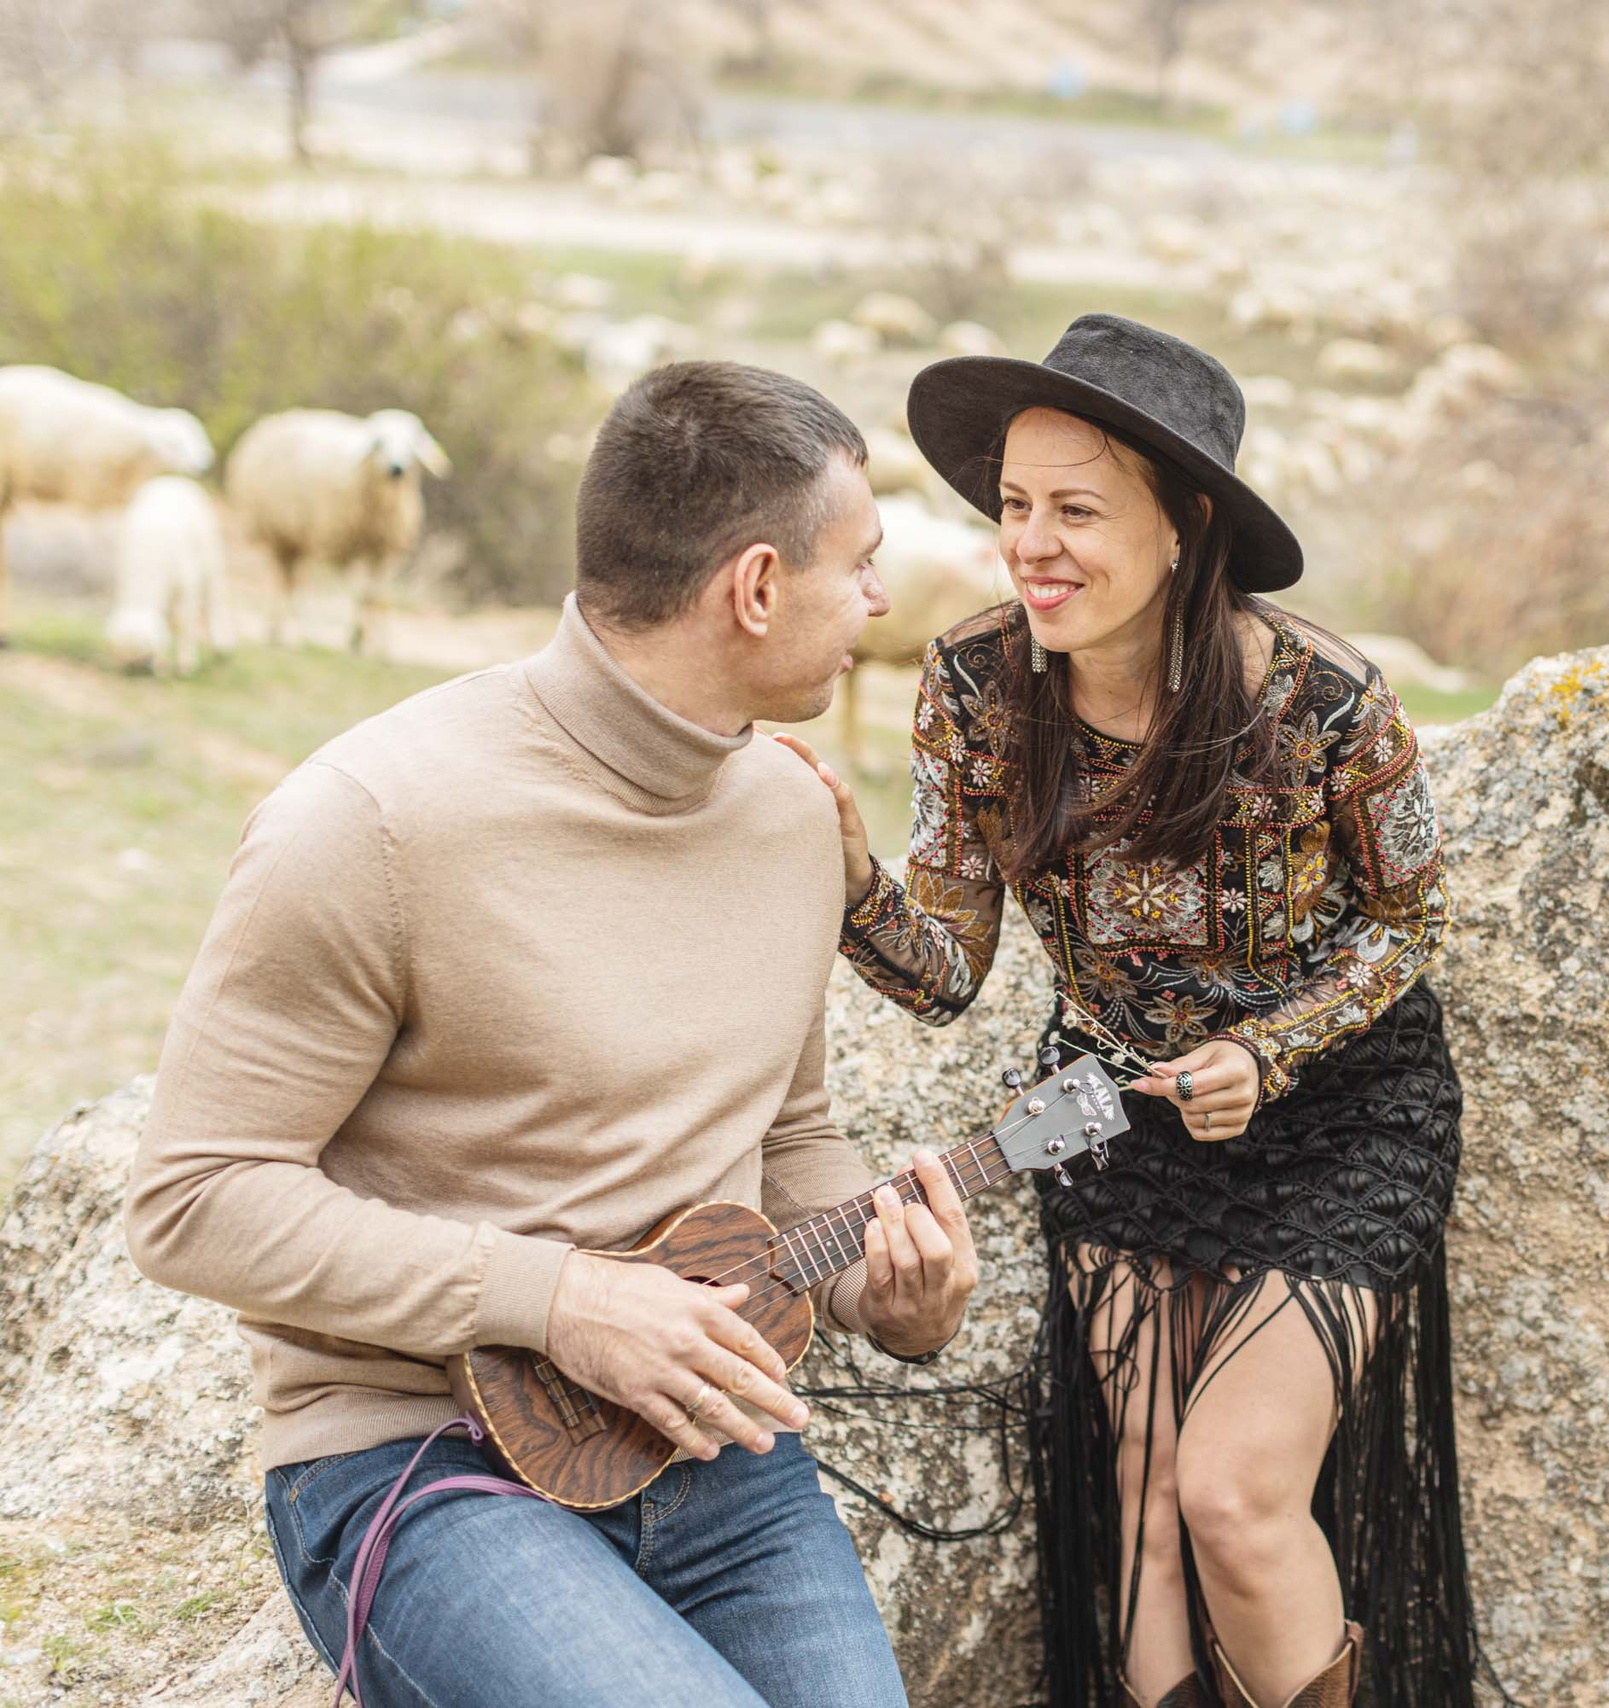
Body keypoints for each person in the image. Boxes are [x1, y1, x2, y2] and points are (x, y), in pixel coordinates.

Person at [123, 361, 979, 1708]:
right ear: (755, 588)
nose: (882, 600)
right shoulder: (372, 820)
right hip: (422, 1462)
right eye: (859, 565)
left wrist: (889, 1298)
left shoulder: (798, 818)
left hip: (715, 1456)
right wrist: (559, 1301)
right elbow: (192, 1202)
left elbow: (793, 1126)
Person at [788, 315, 1475, 1708]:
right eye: (1017, 508)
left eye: (1079, 510)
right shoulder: (974, 688)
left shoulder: (1329, 705)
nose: (1032, 544)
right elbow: (945, 974)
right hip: (1110, 1118)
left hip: (1342, 1122)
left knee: (1230, 1495)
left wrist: (1268, 1054)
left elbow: (1416, 921)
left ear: (1186, 524)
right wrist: (852, 871)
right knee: (1148, 1514)